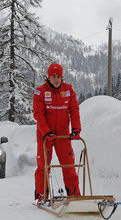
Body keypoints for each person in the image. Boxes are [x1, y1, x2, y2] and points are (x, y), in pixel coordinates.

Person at [33, 63, 81, 204]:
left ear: (62, 77)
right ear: (49, 76)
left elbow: (74, 110)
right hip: (45, 135)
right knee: (43, 166)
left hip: (63, 136)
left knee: (69, 166)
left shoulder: (69, 90)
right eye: (53, 76)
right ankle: (42, 196)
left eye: (59, 76)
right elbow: (38, 114)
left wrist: (76, 129)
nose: (56, 79)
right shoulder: (40, 92)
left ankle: (75, 196)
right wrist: (46, 132)